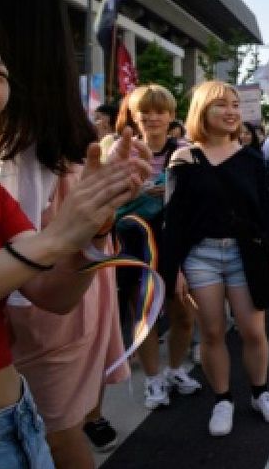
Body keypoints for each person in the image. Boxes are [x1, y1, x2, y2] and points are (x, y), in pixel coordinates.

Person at [0, 0, 150, 469]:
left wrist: (93, 229)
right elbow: (40, 253)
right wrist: (55, 239)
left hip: (16, 422)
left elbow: (52, 293)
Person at [161, 80, 269, 437]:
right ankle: (222, 399)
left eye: (235, 104)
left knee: (253, 330)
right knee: (212, 332)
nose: (232, 111)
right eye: (221, 105)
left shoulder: (251, 158)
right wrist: (175, 269)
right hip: (200, 256)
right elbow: (174, 220)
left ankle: (260, 393)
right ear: (202, 110)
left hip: (247, 254)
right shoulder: (183, 158)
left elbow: (267, 210)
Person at [108, 84, 200, 412]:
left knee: (184, 312)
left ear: (171, 116)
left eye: (159, 111)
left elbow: (198, 200)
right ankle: (152, 378)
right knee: (143, 313)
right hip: (133, 240)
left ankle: (175, 369)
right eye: (144, 111)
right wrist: (136, 194)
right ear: (133, 116)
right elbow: (107, 198)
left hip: (175, 241)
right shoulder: (120, 151)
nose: (152, 117)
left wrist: (172, 195)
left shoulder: (186, 151)